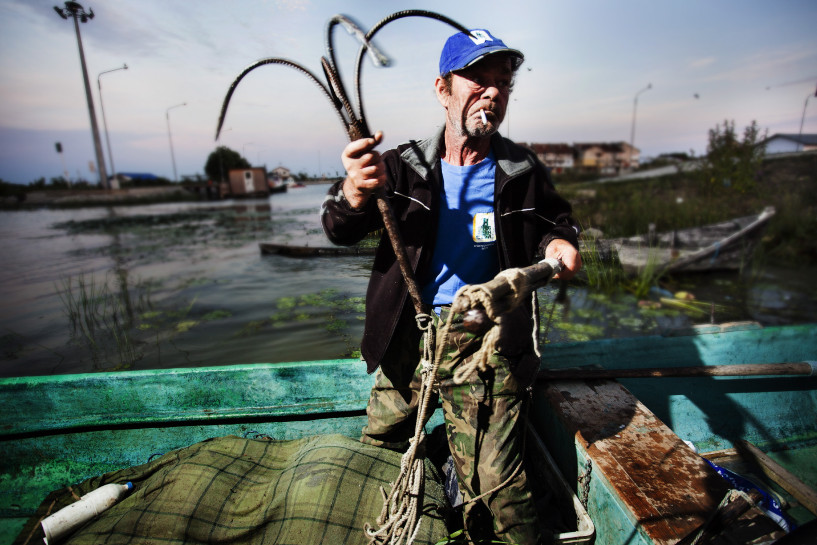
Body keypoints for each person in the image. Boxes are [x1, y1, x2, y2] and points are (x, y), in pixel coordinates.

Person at [321, 28, 581, 544]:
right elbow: (338, 227)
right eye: (478, 79)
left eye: (502, 82)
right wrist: (352, 190)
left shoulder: (521, 170)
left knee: (498, 493)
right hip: (408, 340)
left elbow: (559, 222)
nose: (493, 92)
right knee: (377, 452)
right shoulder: (402, 167)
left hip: (484, 339)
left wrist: (559, 243)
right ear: (443, 89)